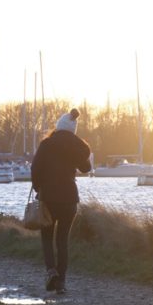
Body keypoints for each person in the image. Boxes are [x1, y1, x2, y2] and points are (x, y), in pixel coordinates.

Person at [31, 108, 91, 294]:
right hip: (69, 199)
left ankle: (51, 272)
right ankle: (62, 283)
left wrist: (37, 187)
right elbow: (86, 168)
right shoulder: (76, 146)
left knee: (47, 237)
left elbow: (35, 169)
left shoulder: (46, 144)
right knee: (62, 240)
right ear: (73, 129)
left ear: (58, 126)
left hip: (48, 197)